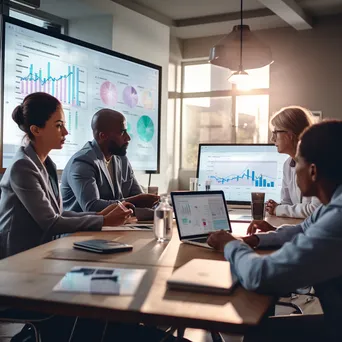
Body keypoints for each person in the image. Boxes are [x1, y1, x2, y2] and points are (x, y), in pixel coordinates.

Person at [207, 120, 342, 342]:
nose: (292, 168)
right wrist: (256, 239)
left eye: (296, 162)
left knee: (256, 333)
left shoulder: (338, 217)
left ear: (313, 171)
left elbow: (261, 276)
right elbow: (301, 230)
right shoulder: (332, 205)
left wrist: (230, 245)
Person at [0, 93, 133, 258]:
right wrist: (104, 221)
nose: (65, 131)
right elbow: (51, 222)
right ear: (36, 130)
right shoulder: (22, 167)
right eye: (58, 125)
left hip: (42, 251)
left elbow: (59, 213)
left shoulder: (46, 164)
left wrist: (100, 215)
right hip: (18, 258)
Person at [61, 109, 159, 213]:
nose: (128, 138)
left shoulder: (122, 159)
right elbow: (92, 206)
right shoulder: (82, 162)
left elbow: (139, 198)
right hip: (84, 228)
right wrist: (136, 201)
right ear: (103, 136)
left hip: (115, 226)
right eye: (122, 132)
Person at [266, 106, 320, 218]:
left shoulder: (319, 163)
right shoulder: (287, 164)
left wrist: (279, 209)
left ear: (290, 135)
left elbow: (315, 210)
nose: (272, 139)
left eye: (276, 133)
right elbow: (286, 203)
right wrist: (277, 208)